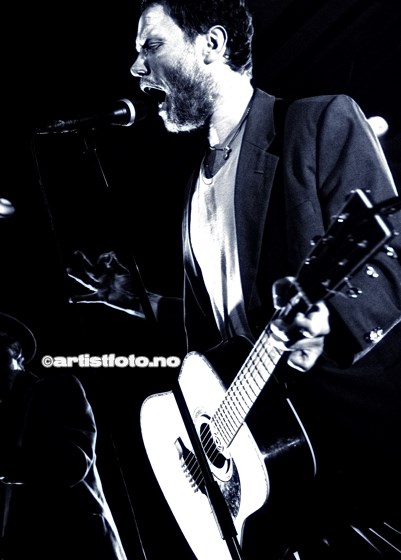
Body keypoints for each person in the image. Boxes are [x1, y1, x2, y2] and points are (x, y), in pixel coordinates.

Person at [68, 0, 401, 558]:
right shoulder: (191, 190)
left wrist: (326, 322)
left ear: (212, 45)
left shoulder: (316, 122)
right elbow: (223, 334)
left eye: (152, 46)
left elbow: (388, 268)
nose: (136, 69)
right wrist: (138, 299)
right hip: (274, 476)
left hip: (357, 457)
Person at [0, 311, 129, 560]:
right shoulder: (5, 416)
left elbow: (71, 464)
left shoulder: (56, 388)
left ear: (16, 350)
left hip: (82, 547)